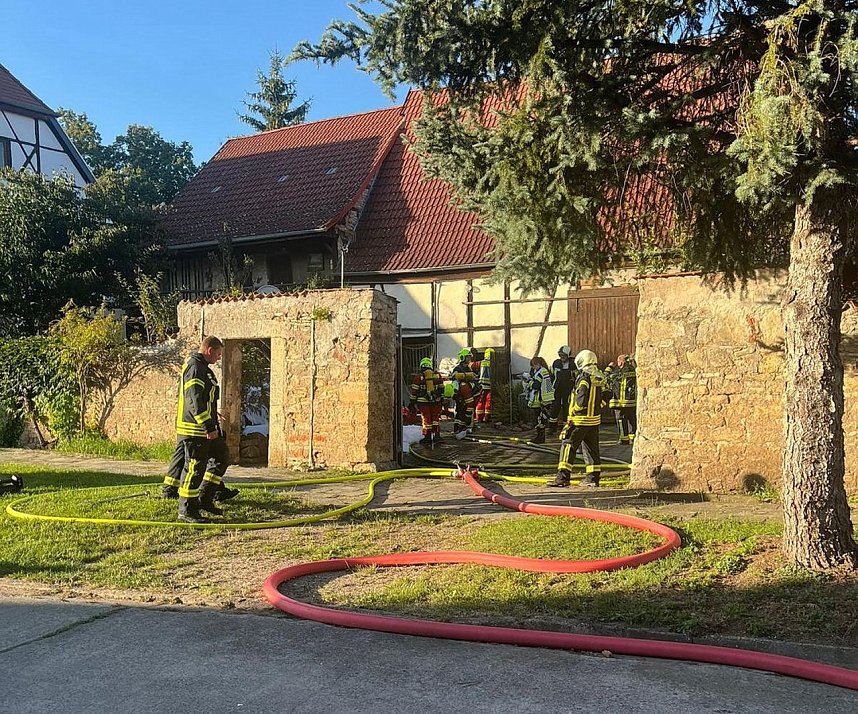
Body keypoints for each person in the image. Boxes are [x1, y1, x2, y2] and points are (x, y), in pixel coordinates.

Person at [173, 336, 228, 523]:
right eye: (218, 354)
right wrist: (208, 426)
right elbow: (194, 400)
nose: (219, 358)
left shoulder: (203, 368)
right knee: (195, 467)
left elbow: (203, 398)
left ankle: (205, 498)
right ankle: (187, 510)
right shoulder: (196, 368)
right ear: (209, 350)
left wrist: (213, 413)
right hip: (195, 429)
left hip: (206, 426)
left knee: (221, 457)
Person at [548, 349, 606, 488]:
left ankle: (562, 478)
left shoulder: (584, 377)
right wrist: (597, 407)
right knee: (591, 449)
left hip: (579, 420)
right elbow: (607, 395)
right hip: (594, 420)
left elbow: (581, 398)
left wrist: (574, 411)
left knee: (568, 445)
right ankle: (592, 479)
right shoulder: (600, 376)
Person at [409, 356, 444, 445]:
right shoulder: (437, 375)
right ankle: (437, 436)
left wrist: (412, 403)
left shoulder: (419, 377)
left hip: (423, 402)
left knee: (426, 419)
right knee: (435, 418)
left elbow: (414, 391)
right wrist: (440, 398)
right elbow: (442, 388)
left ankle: (427, 437)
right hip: (436, 401)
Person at [606, 354, 637, 445]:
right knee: (632, 420)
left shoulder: (618, 373)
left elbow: (605, 378)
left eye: (618, 361)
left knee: (621, 421)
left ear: (621, 363)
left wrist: (609, 368)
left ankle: (624, 440)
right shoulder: (634, 371)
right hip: (632, 402)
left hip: (620, 403)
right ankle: (633, 438)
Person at [525, 356, 555, 444]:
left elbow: (536, 386)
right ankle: (540, 437)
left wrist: (529, 382)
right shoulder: (544, 371)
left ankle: (540, 438)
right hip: (545, 399)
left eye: (533, 366)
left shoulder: (541, 372)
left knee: (539, 419)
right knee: (541, 418)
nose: (533, 368)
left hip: (541, 399)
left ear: (537, 364)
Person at [451, 348, 479, 438]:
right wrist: (466, 376)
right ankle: (457, 429)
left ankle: (465, 427)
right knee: (459, 411)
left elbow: (472, 378)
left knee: (467, 409)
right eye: (467, 357)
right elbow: (454, 377)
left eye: (470, 357)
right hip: (460, 393)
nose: (469, 359)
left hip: (467, 392)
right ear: (462, 357)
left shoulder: (468, 368)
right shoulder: (458, 368)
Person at [550, 345, 575, 431]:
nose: (561, 357)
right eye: (560, 355)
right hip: (557, 388)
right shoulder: (556, 363)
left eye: (563, 355)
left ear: (568, 355)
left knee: (566, 406)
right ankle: (552, 427)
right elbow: (552, 375)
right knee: (555, 406)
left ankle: (565, 426)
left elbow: (576, 376)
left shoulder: (573, 364)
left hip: (568, 388)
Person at [474, 347, 493, 423]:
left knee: (480, 402)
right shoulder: (493, 363)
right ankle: (487, 418)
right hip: (490, 386)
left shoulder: (481, 362)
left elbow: (472, 366)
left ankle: (479, 418)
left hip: (481, 385)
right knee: (488, 402)